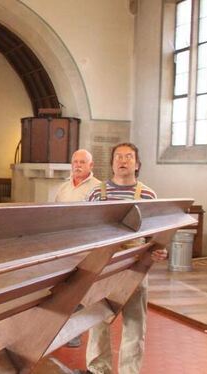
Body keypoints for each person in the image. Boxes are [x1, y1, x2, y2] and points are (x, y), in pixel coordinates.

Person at [83, 142, 168, 374]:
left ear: (137, 164)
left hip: (136, 267)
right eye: (118, 157)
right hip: (103, 266)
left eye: (129, 157)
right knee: (98, 320)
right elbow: (84, 230)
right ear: (111, 163)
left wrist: (160, 251)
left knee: (135, 324)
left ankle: (130, 371)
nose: (123, 161)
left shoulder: (148, 194)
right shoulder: (95, 193)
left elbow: (156, 234)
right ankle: (99, 369)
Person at [54, 149, 100, 348]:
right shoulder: (63, 188)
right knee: (64, 287)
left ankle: (74, 333)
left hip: (86, 245)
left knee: (80, 288)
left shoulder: (99, 188)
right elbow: (54, 214)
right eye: (75, 162)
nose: (78, 165)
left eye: (82, 162)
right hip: (65, 245)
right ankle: (59, 330)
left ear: (91, 166)